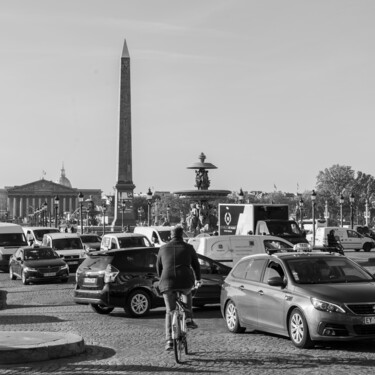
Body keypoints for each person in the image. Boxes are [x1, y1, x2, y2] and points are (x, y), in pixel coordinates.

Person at [156, 225, 201, 351]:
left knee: (170, 311)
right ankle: (188, 318)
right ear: (182, 235)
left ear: (171, 235)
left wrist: (162, 279)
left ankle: (169, 340)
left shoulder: (163, 248)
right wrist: (198, 279)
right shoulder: (189, 248)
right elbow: (196, 265)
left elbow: (158, 268)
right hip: (185, 279)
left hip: (167, 281)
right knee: (187, 293)